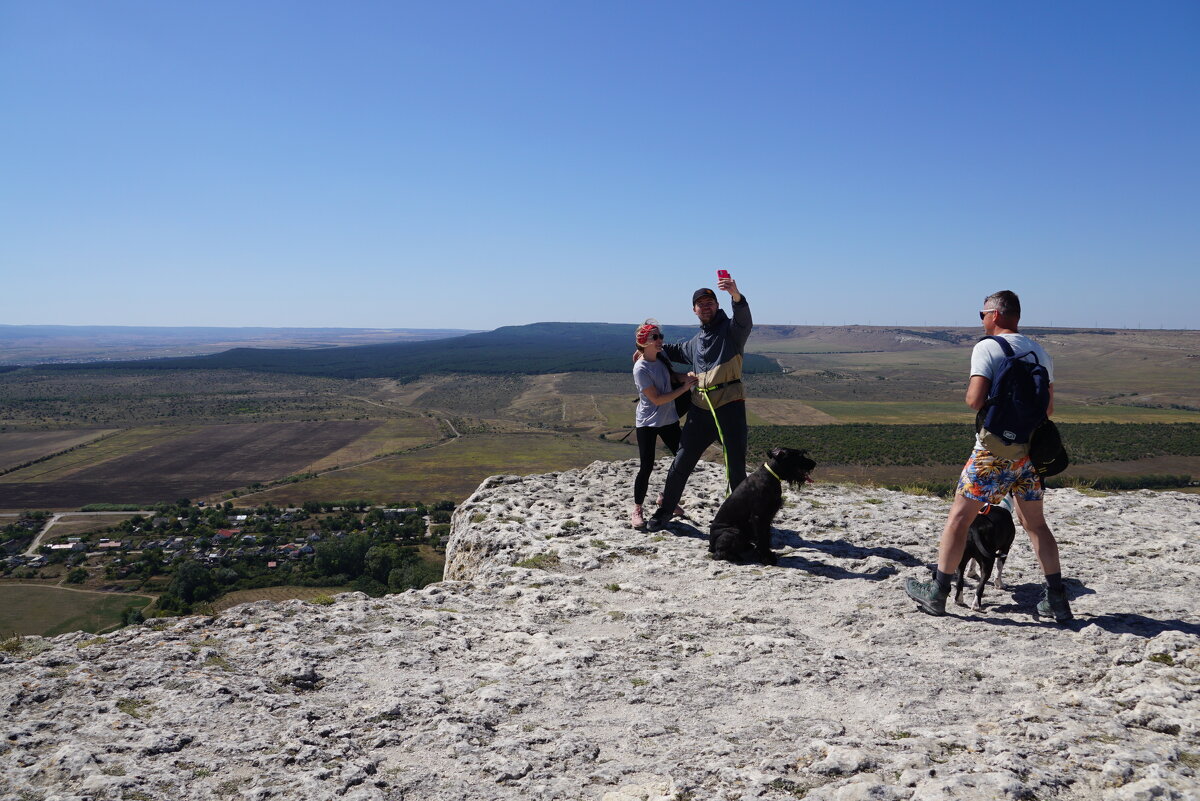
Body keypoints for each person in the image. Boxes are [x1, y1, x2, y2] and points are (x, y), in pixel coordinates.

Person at [904, 290, 1073, 622]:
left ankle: (937, 592)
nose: (981, 319)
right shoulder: (1040, 352)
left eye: (982, 314)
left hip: (993, 452)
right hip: (1031, 454)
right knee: (1036, 524)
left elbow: (974, 399)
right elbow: (1048, 408)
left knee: (959, 518)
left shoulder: (987, 348)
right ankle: (1057, 599)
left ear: (995, 314)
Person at [646, 274, 752, 532]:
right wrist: (647, 346)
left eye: (710, 302)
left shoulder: (731, 331)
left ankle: (742, 518)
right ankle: (665, 510)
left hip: (730, 406)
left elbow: (744, 320)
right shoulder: (696, 342)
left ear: (717, 306)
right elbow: (671, 350)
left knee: (736, 466)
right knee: (682, 460)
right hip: (701, 409)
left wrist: (736, 295)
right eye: (700, 304)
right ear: (694, 310)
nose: (706, 307)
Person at [630, 320, 698, 530]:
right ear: (644, 342)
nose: (660, 341)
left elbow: (672, 378)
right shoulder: (640, 368)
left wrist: (685, 378)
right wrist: (685, 388)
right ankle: (637, 509)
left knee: (682, 460)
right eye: (655, 337)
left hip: (668, 420)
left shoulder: (661, 359)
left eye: (661, 336)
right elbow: (657, 399)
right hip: (648, 423)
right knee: (646, 466)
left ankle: (666, 499)